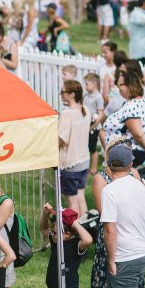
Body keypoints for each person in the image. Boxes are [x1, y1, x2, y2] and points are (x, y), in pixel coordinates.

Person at [101, 142, 145, 288]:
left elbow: (109, 231)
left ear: (108, 164)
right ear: (130, 165)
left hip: (124, 256)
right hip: (143, 252)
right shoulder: (141, 187)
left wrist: (111, 260)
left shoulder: (109, 191)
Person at [102, 70, 145, 166]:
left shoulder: (131, 107)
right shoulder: (142, 102)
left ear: (129, 86)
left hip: (128, 155)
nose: (118, 88)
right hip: (128, 153)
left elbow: (138, 134)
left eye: (120, 85)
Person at [59, 80, 90, 216]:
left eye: (63, 92)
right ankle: (87, 227)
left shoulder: (67, 114)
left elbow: (61, 139)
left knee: (72, 202)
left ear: (71, 94)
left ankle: (76, 231)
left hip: (70, 163)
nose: (61, 95)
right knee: (80, 198)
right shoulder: (85, 110)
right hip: (84, 160)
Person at [83, 73, 105, 177]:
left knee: (92, 148)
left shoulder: (98, 97)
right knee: (85, 147)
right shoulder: (86, 96)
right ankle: (85, 166)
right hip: (85, 125)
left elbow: (100, 114)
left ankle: (93, 168)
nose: (85, 86)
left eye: (87, 84)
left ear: (94, 84)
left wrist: (92, 125)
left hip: (93, 127)